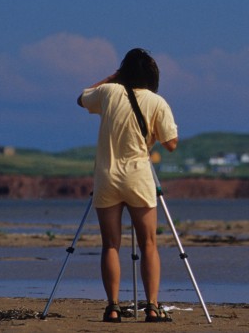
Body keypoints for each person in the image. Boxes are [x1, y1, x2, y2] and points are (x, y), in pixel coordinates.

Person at [77, 48, 179, 323]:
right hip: (139, 178)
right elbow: (171, 145)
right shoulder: (157, 102)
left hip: (107, 177)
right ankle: (153, 307)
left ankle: (112, 307)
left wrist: (112, 77)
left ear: (124, 72)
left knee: (110, 245)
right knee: (148, 244)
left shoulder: (108, 93)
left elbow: (81, 98)